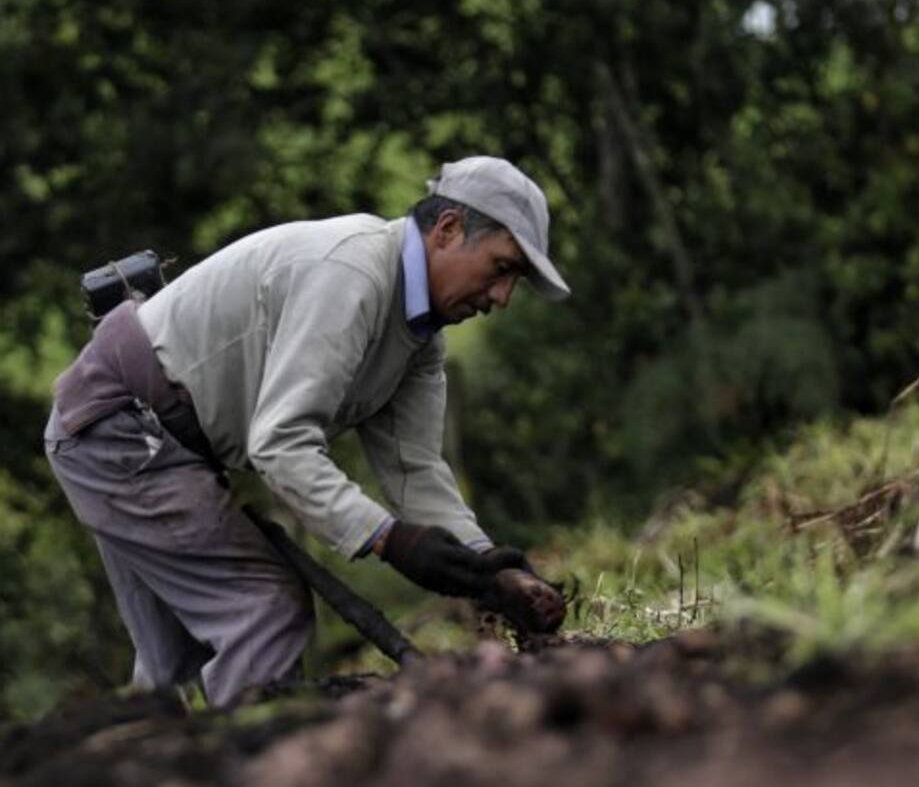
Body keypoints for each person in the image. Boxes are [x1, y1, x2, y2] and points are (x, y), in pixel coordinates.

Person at [44, 155, 568, 706]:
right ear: (448, 230)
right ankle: (256, 754)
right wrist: (388, 538)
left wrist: (489, 569)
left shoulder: (418, 339)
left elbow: (414, 470)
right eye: (501, 268)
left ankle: (149, 756)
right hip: (121, 431)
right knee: (263, 610)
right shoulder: (352, 276)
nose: (501, 298)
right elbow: (280, 445)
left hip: (142, 436)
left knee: (168, 663)